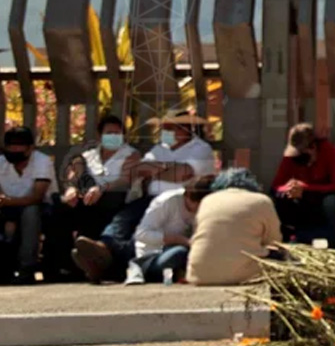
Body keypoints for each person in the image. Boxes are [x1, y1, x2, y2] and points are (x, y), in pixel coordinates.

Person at [73, 109, 215, 283]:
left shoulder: (201, 149)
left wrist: (155, 170)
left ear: (185, 129)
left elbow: (183, 173)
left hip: (182, 201)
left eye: (170, 127)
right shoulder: (160, 148)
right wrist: (166, 169)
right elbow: (139, 169)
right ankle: (103, 247)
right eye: (164, 128)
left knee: (141, 233)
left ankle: (108, 264)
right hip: (152, 199)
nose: (166, 132)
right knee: (124, 218)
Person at [44, 115, 141, 281]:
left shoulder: (131, 155)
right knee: (60, 207)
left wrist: (102, 188)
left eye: (117, 133)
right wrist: (72, 190)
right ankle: (60, 266)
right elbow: (73, 176)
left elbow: (125, 180)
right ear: (100, 135)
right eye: (109, 133)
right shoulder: (88, 156)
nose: (113, 137)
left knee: (104, 202)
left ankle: (96, 255)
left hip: (117, 200)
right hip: (87, 200)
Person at [187, 168, 283, 286]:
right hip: (245, 275)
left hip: (200, 275)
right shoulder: (262, 201)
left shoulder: (207, 201)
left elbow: (196, 237)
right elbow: (274, 242)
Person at [126, 174, 214, 285]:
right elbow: (141, 234)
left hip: (189, 253)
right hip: (155, 254)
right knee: (179, 253)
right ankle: (140, 267)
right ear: (186, 196)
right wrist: (179, 240)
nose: (197, 209)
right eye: (195, 204)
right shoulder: (167, 201)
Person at [271, 123, 335, 250]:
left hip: (325, 207)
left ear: (313, 148)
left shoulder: (331, 153)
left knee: (332, 202)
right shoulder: (291, 159)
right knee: (278, 201)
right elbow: (276, 186)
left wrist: (306, 189)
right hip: (302, 207)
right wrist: (288, 189)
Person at [0, 126, 57, 284]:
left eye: (19, 145)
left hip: (41, 208)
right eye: (10, 145)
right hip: (8, 206)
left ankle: (27, 267)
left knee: (30, 212)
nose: (14, 149)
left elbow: (37, 197)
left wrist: (7, 202)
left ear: (30, 148)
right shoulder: (1, 163)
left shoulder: (42, 161)